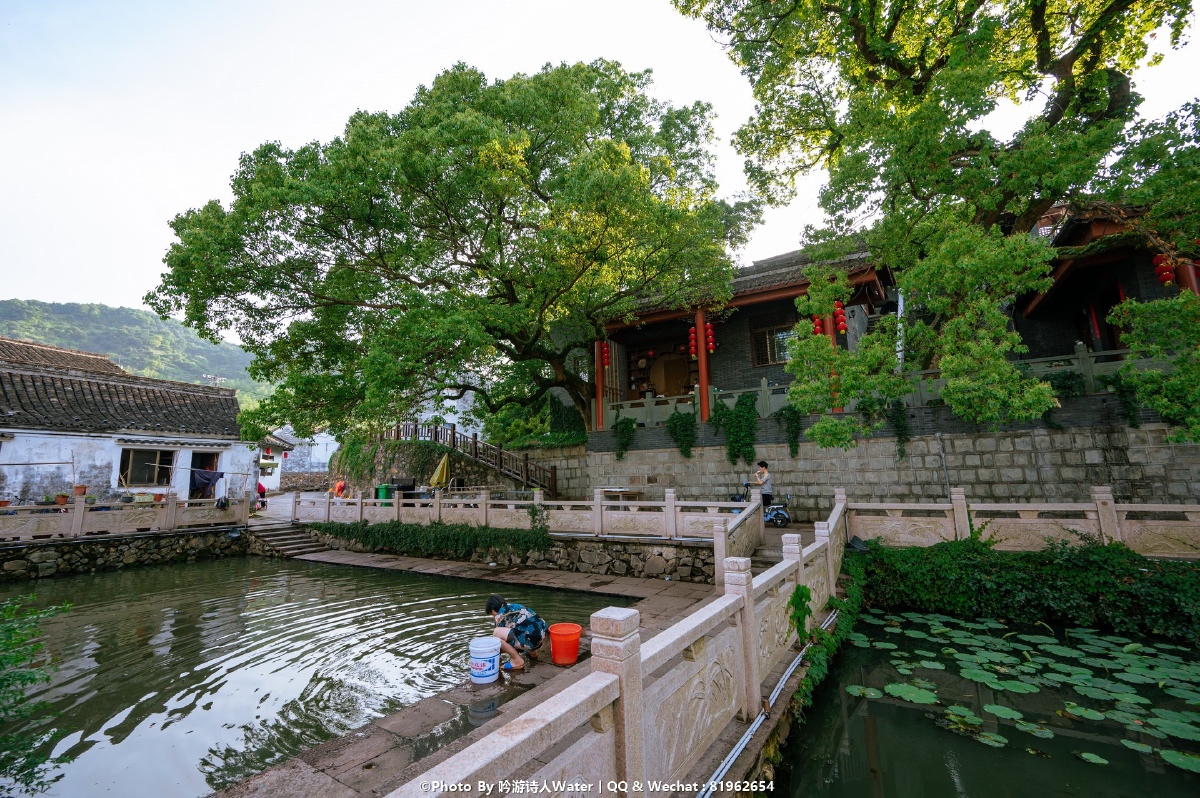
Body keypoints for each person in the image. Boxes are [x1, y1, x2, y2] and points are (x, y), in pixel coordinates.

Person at [486, 594, 548, 671]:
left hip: (532, 640)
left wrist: (495, 656)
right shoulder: (516, 606)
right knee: (524, 629)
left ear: (493, 609)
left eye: (492, 613)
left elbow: (499, 640)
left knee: (496, 634)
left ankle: (517, 661)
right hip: (544, 636)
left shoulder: (501, 614)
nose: (493, 616)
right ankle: (533, 652)